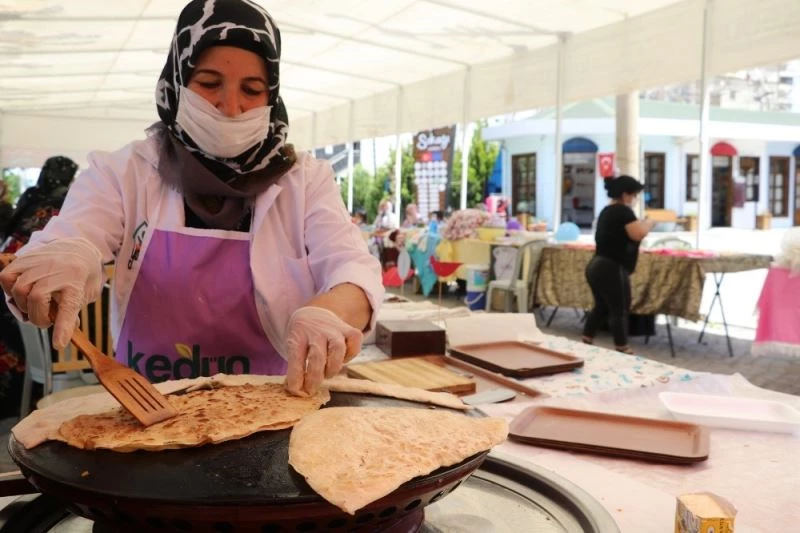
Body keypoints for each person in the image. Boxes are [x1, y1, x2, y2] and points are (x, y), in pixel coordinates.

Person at [0, 0, 383, 397]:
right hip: (150, 404)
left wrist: (327, 312)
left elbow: (352, 267)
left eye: (252, 90)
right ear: (178, 79)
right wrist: (68, 254)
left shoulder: (304, 181)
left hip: (276, 403)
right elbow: (79, 229)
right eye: (209, 83)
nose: (230, 107)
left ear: (272, 95)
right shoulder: (126, 172)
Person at [581, 175, 655, 354]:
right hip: (611, 267)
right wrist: (648, 223)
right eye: (634, 195)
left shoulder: (607, 211)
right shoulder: (623, 211)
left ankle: (586, 339)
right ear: (625, 194)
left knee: (602, 306)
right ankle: (622, 347)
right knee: (619, 308)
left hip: (597, 265)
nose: (635, 199)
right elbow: (637, 233)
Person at [1, 156, 78, 253]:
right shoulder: (69, 199)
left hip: (17, 247)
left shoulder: (32, 193)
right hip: (45, 251)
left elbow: (16, 219)